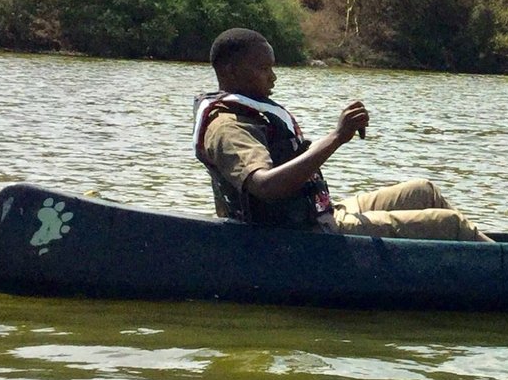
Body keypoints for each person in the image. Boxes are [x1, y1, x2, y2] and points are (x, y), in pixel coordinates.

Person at [193, 27, 491, 242]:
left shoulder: (253, 112)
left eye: (272, 67)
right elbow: (265, 186)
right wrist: (337, 137)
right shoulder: (228, 126)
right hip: (302, 235)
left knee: (423, 191)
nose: (273, 77)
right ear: (230, 72)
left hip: (319, 211)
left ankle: (490, 254)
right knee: (449, 225)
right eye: (263, 68)